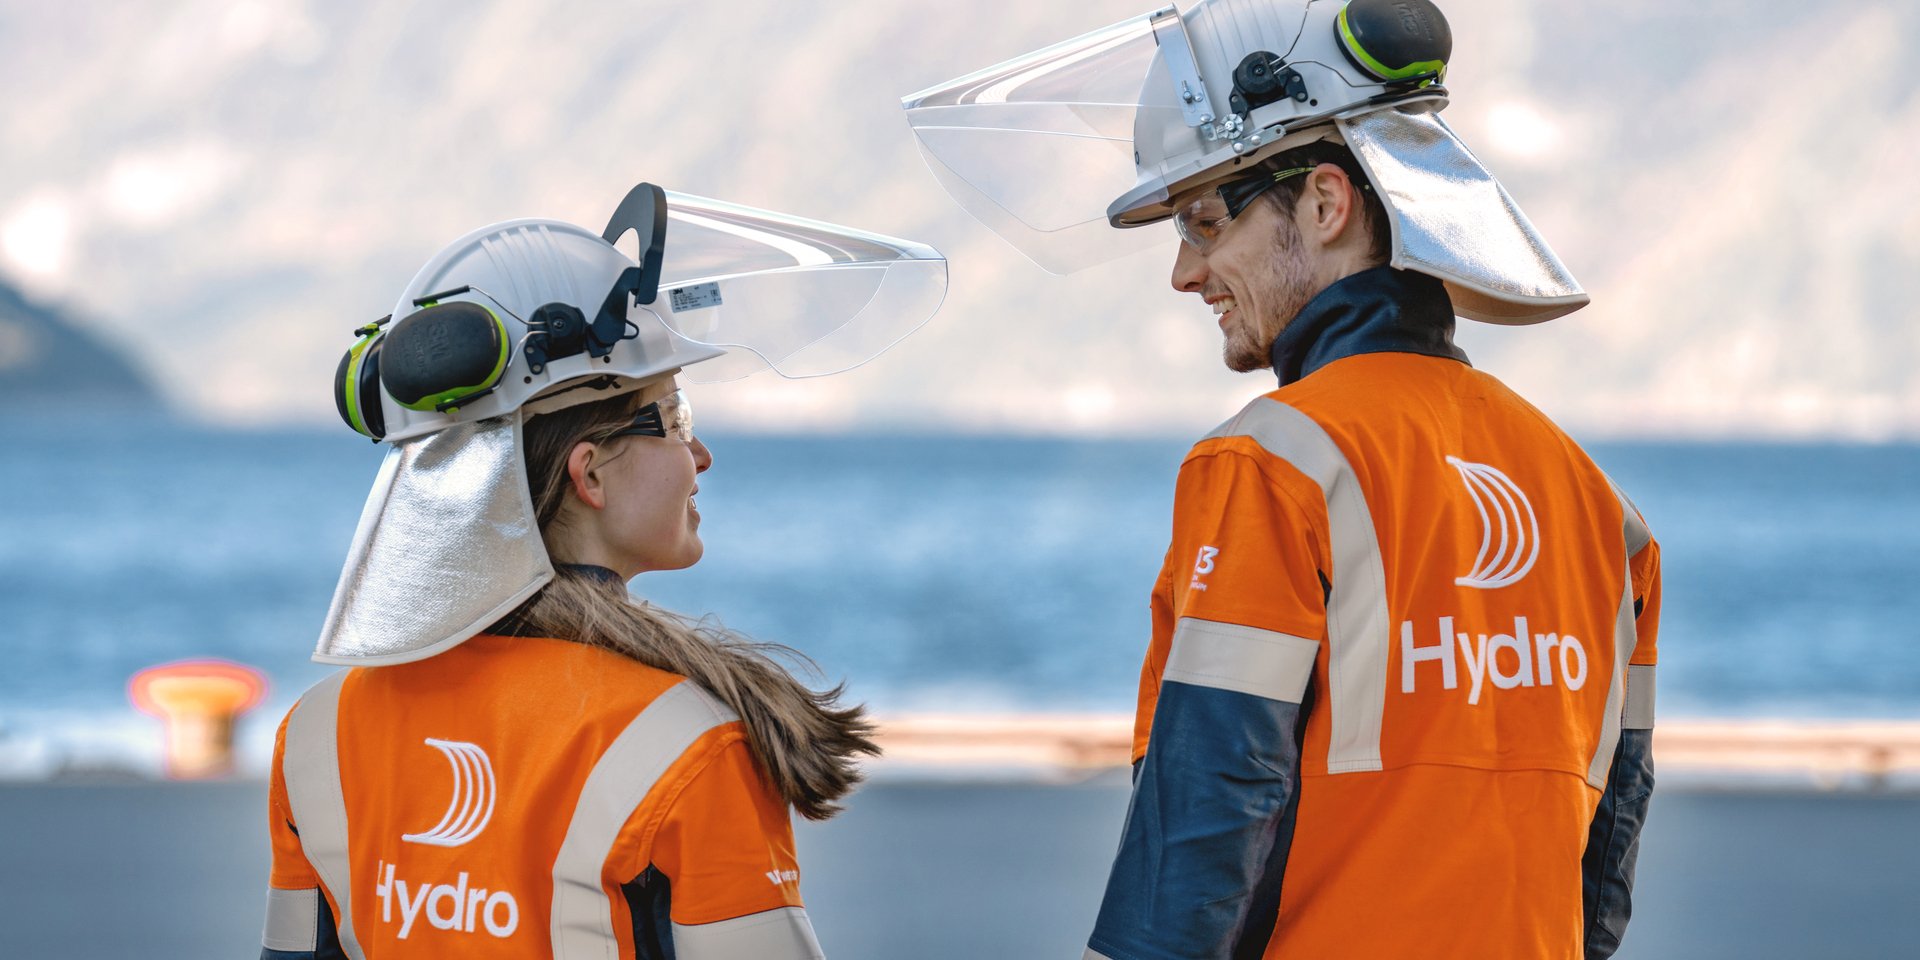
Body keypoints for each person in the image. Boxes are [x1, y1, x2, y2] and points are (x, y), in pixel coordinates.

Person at [903, 1, 1659, 957]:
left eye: (1205, 220)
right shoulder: (1602, 507)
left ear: (1326, 204)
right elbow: (1607, 850)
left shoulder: (1271, 462)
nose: (1186, 271)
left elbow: (1209, 818)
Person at [259, 183, 946, 959]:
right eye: (675, 418)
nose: (700, 455)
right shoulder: (692, 745)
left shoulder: (315, 733)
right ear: (589, 473)